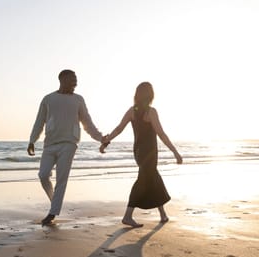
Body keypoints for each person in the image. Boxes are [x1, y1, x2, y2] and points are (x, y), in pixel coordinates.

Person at [28, 69, 107, 226]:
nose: (75, 83)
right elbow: (39, 121)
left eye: (76, 80)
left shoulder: (78, 100)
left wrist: (100, 138)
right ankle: (54, 202)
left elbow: (87, 123)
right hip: (50, 144)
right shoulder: (48, 99)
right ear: (62, 79)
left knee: (61, 179)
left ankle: (53, 213)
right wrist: (32, 140)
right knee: (43, 175)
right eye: (72, 79)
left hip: (69, 143)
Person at [100, 82, 182, 227]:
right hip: (149, 152)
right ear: (150, 95)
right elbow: (161, 134)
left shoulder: (132, 110)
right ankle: (127, 216)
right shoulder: (151, 112)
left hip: (138, 151)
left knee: (153, 179)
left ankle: (163, 214)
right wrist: (175, 152)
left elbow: (119, 129)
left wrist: (107, 141)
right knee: (143, 181)